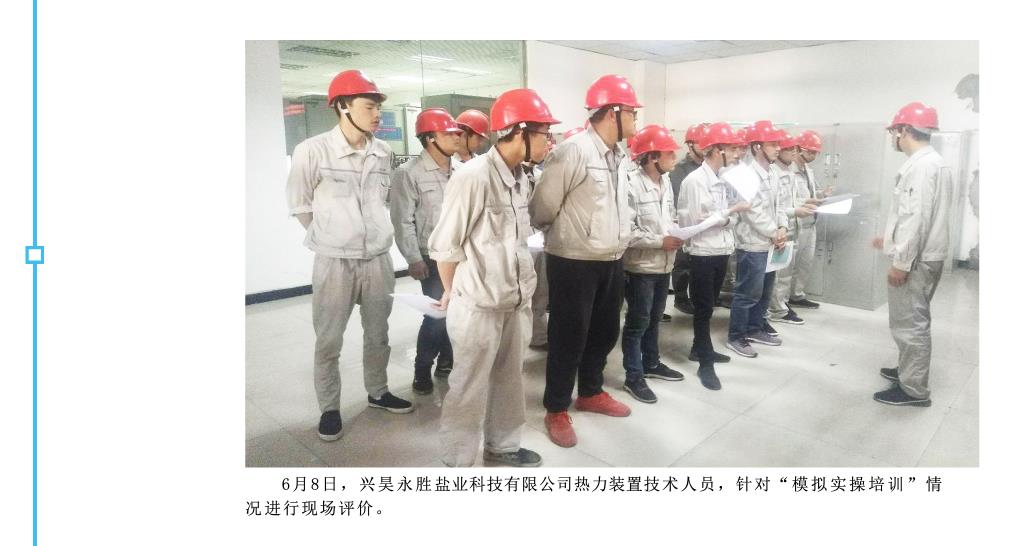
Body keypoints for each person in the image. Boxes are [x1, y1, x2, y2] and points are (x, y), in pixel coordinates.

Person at [428, 89, 557, 466]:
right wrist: (452, 292)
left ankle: (502, 445)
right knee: (468, 386)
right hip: (479, 307)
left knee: (509, 380)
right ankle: (459, 459)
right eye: (544, 133)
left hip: (514, 303)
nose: (548, 141)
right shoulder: (473, 178)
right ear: (520, 132)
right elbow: (445, 247)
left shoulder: (522, 178)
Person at [285, 70, 412, 443]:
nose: (377, 115)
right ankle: (329, 408)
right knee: (329, 340)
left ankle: (378, 392)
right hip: (334, 262)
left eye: (378, 107)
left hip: (377, 259)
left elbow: (383, 201)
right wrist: (329, 235)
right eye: (369, 106)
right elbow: (300, 205)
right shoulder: (313, 151)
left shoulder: (383, 151)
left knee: (378, 333)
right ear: (343, 107)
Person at [530, 74, 639, 448]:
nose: (635, 120)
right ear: (612, 113)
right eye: (632, 113)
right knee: (568, 338)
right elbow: (542, 207)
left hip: (612, 257)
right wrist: (567, 236)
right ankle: (556, 408)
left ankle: (591, 391)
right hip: (574, 260)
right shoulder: (573, 151)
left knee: (605, 331)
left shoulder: (619, 156)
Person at [872, 102, 953, 407]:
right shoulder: (935, 163)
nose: (893, 137)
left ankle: (913, 390)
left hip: (916, 260)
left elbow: (915, 218)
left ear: (904, 130)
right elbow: (920, 216)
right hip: (927, 254)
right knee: (913, 319)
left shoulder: (920, 167)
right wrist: (890, 240)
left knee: (910, 324)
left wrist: (901, 262)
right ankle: (908, 372)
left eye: (894, 131)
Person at [389, 108, 464, 394]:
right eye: (448, 133)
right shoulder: (408, 173)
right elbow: (402, 219)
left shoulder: (462, 171)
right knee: (436, 315)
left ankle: (447, 361)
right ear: (430, 138)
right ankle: (422, 369)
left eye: (456, 132)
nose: (456, 137)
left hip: (460, 255)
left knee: (457, 313)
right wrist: (413, 258)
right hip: (430, 257)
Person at [679, 122, 751, 390]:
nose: (737, 154)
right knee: (702, 309)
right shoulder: (695, 181)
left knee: (709, 306)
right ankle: (705, 364)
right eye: (732, 149)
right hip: (702, 253)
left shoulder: (722, 179)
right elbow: (697, 221)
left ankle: (700, 349)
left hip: (721, 250)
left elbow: (725, 217)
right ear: (717, 150)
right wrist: (730, 213)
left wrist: (727, 215)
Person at [620, 124, 687, 404]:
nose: (674, 157)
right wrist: (661, 241)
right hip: (641, 268)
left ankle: (651, 363)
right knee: (637, 323)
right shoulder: (630, 185)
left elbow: (666, 218)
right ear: (651, 157)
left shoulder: (666, 183)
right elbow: (626, 232)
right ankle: (633, 376)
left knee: (655, 319)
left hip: (664, 265)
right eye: (669, 153)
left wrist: (679, 231)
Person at [726, 120, 789, 358]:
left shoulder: (773, 173)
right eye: (773, 144)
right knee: (747, 293)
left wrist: (782, 227)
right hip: (752, 243)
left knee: (764, 291)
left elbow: (781, 204)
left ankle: (755, 328)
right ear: (757, 147)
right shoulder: (744, 174)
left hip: (772, 242)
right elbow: (751, 211)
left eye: (777, 144)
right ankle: (736, 336)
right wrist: (774, 232)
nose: (778, 148)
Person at [767, 133, 816, 325]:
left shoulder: (788, 171)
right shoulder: (774, 173)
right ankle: (777, 309)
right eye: (789, 149)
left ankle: (782, 305)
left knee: (786, 273)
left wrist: (807, 202)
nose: (793, 153)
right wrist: (795, 211)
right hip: (780, 230)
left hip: (792, 228)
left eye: (794, 149)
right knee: (779, 274)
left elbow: (791, 200)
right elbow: (775, 207)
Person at [787, 130, 830, 309]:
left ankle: (796, 296)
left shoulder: (808, 171)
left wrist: (822, 194)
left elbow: (811, 193)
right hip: (795, 224)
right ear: (798, 149)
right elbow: (787, 200)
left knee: (805, 264)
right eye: (810, 152)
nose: (813, 156)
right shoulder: (788, 171)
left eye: (815, 152)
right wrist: (806, 202)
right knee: (788, 267)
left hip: (810, 223)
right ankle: (781, 303)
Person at [668, 123, 708, 315]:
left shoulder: (709, 168)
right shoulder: (679, 169)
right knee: (683, 263)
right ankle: (681, 297)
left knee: (700, 265)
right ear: (690, 144)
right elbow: (678, 199)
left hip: (705, 224)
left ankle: (698, 297)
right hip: (685, 223)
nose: (706, 146)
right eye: (701, 142)